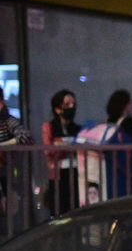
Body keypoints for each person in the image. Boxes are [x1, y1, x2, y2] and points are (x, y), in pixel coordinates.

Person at [98, 89, 132, 199]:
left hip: (109, 169)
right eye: (131, 102)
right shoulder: (128, 122)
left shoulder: (107, 122)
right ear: (125, 105)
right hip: (126, 168)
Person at [41, 90, 80, 215]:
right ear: (58, 109)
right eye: (67, 104)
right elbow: (48, 149)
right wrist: (64, 146)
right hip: (58, 173)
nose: (71, 107)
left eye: (73, 104)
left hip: (76, 171)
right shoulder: (49, 127)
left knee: (76, 206)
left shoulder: (78, 128)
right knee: (59, 207)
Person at [0, 91, 33, 233]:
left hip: (5, 170)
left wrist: (2, 146)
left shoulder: (8, 120)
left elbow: (25, 136)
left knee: (9, 206)